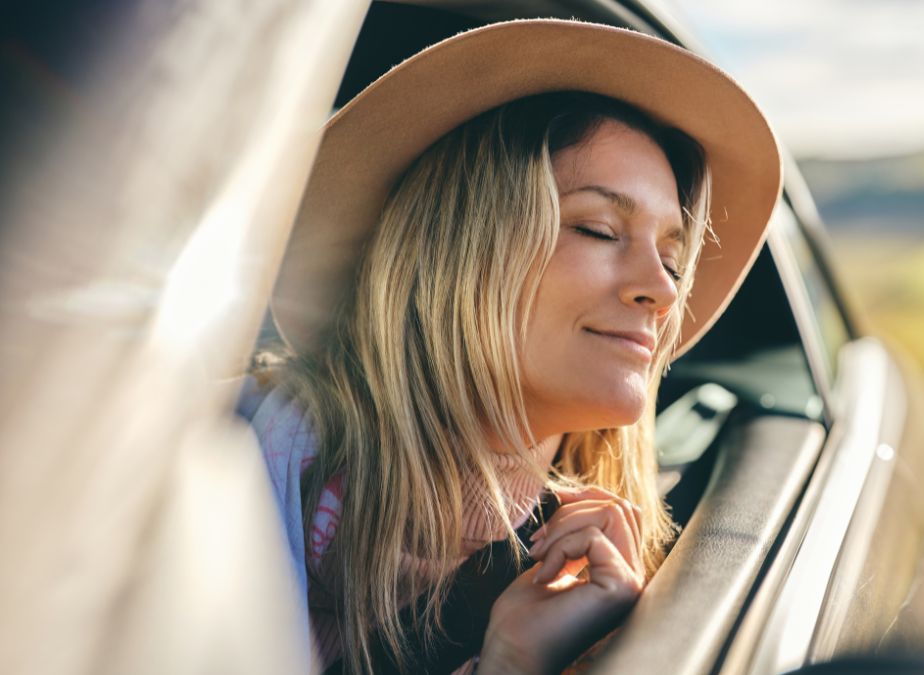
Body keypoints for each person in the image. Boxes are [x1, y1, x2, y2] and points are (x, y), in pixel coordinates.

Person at [239, 18, 781, 675]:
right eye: (600, 229)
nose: (661, 293)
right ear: (451, 254)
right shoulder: (225, 475)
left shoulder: (598, 574)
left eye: (672, 258)